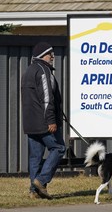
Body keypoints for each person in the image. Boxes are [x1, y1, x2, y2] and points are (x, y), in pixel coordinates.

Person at [21, 42, 66, 199]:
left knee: (35, 156)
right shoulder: (43, 71)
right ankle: (41, 180)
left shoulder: (28, 71)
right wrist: (51, 120)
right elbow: (46, 99)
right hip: (44, 122)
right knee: (59, 148)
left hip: (30, 123)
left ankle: (34, 192)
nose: (52, 56)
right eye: (50, 54)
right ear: (42, 56)